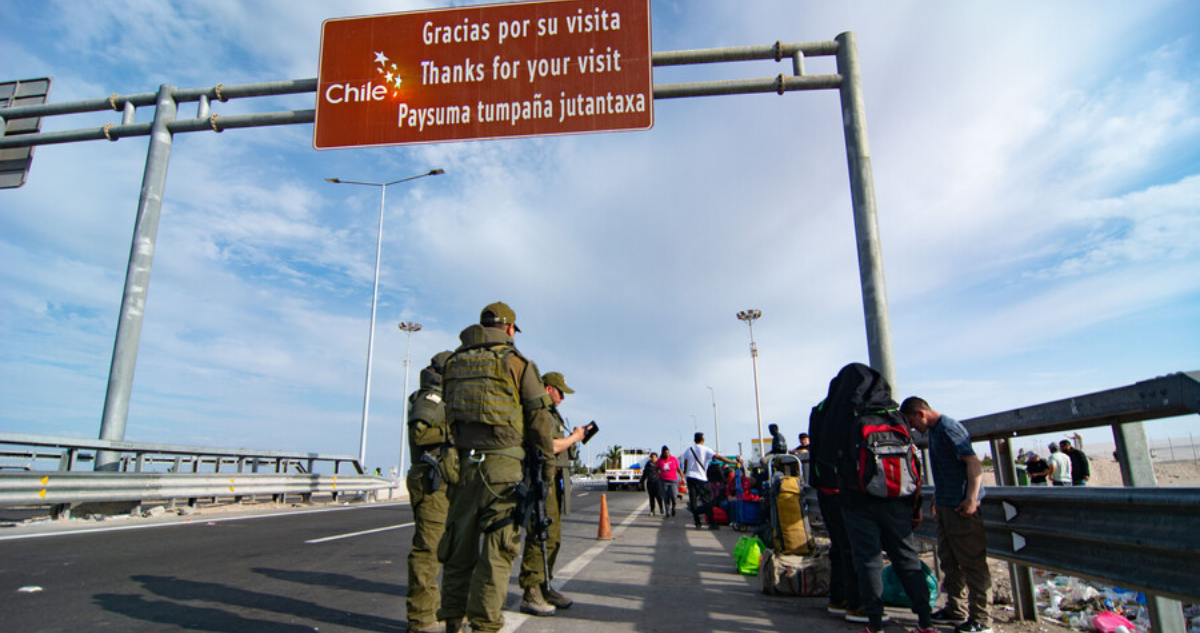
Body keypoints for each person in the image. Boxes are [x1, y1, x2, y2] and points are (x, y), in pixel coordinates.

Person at [436, 302, 555, 633]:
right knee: (497, 552)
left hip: (460, 466)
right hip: (502, 470)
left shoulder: (454, 362)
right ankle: (484, 626)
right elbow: (538, 421)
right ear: (509, 329)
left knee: (458, 551)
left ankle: (451, 623)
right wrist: (545, 471)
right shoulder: (516, 363)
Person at [902, 397, 993, 633]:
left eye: (913, 423)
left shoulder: (950, 428)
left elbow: (972, 463)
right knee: (950, 562)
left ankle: (982, 620)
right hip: (945, 505)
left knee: (972, 563)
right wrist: (938, 496)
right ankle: (955, 608)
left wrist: (971, 498)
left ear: (921, 413)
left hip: (961, 507)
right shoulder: (934, 432)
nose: (914, 430)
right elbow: (947, 467)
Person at [519, 371, 586, 617]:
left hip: (554, 478)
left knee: (553, 537)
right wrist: (574, 438)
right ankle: (531, 591)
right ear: (548, 389)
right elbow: (550, 445)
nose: (562, 398)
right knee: (540, 535)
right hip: (540, 479)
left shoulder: (552, 414)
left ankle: (545, 585)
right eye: (560, 393)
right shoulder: (540, 413)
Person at [406, 351, 454, 633]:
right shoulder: (431, 398)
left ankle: (434, 614)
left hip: (443, 479)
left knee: (446, 549)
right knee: (429, 550)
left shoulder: (441, 398)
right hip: (430, 479)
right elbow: (420, 435)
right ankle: (421, 620)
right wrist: (453, 432)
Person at [807, 405, 862, 621]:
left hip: (826, 488)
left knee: (838, 546)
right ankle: (858, 603)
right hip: (849, 491)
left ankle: (839, 598)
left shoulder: (822, 411)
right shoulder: (854, 411)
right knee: (854, 547)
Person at [680, 432, 739, 530]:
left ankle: (697, 522)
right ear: (702, 440)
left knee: (693, 500)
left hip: (690, 478)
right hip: (701, 478)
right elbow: (719, 457)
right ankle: (712, 524)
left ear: (694, 440)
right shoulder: (706, 449)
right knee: (707, 501)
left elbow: (686, 464)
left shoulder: (688, 450)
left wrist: (685, 472)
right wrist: (733, 462)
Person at [656, 446, 681, 518]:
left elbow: (678, 469)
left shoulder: (674, 459)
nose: (667, 454)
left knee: (674, 496)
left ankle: (673, 507)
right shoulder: (660, 461)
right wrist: (658, 475)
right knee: (665, 497)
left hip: (673, 481)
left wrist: (682, 477)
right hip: (663, 481)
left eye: (668, 452)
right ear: (663, 453)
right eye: (665, 453)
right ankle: (667, 512)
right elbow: (656, 469)